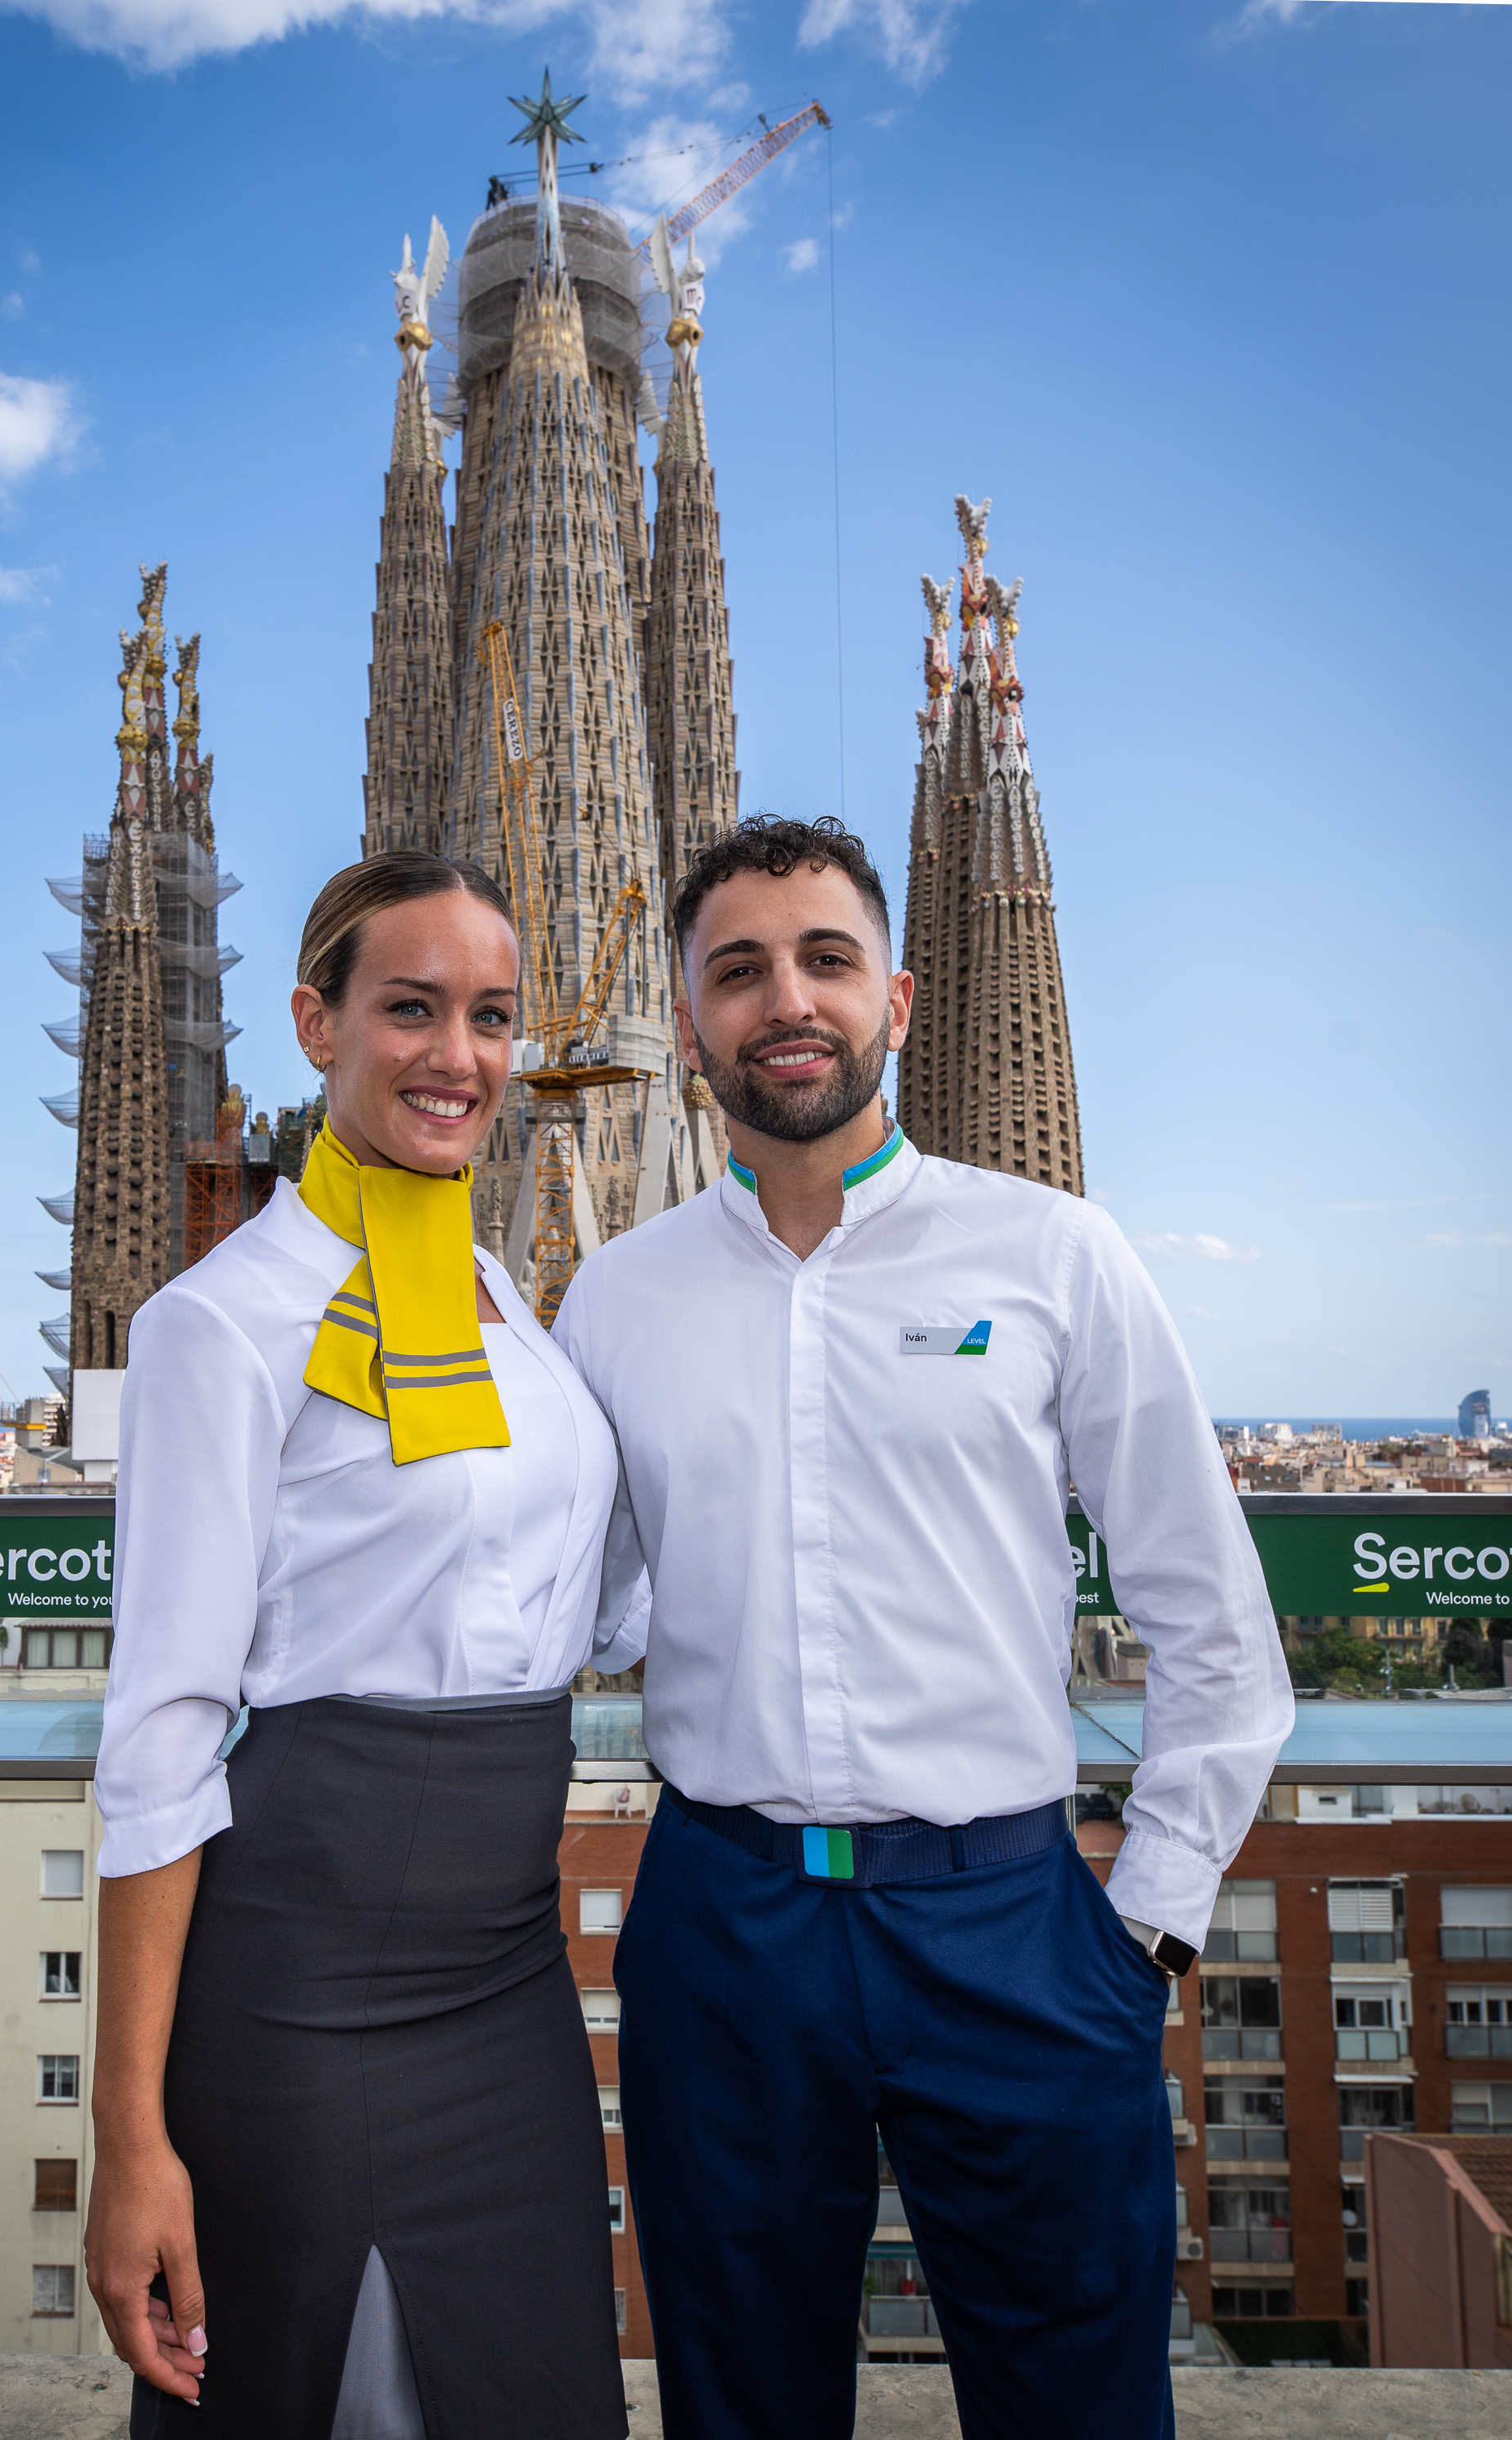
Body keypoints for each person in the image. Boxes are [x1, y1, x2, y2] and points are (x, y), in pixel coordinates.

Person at [551, 816, 1295, 2440]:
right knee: (740, 2404)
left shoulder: (1049, 1255)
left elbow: (1213, 1618)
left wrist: (1147, 1928)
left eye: (825, 960)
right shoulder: (618, 1296)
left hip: (1011, 1924)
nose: (786, 1000)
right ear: (691, 1023)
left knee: (1078, 2402)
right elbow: (573, 1609)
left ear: (898, 995)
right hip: (726, 1923)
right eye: (738, 971)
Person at [85, 851, 630, 2440]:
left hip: (510, 1986)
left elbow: (579, 1601)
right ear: (318, 1024)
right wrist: (131, 2139)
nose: (458, 1054)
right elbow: (163, 1734)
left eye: (491, 1016)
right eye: (410, 1008)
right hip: (303, 1993)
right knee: (333, 2396)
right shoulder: (220, 1326)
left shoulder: (502, 1307)